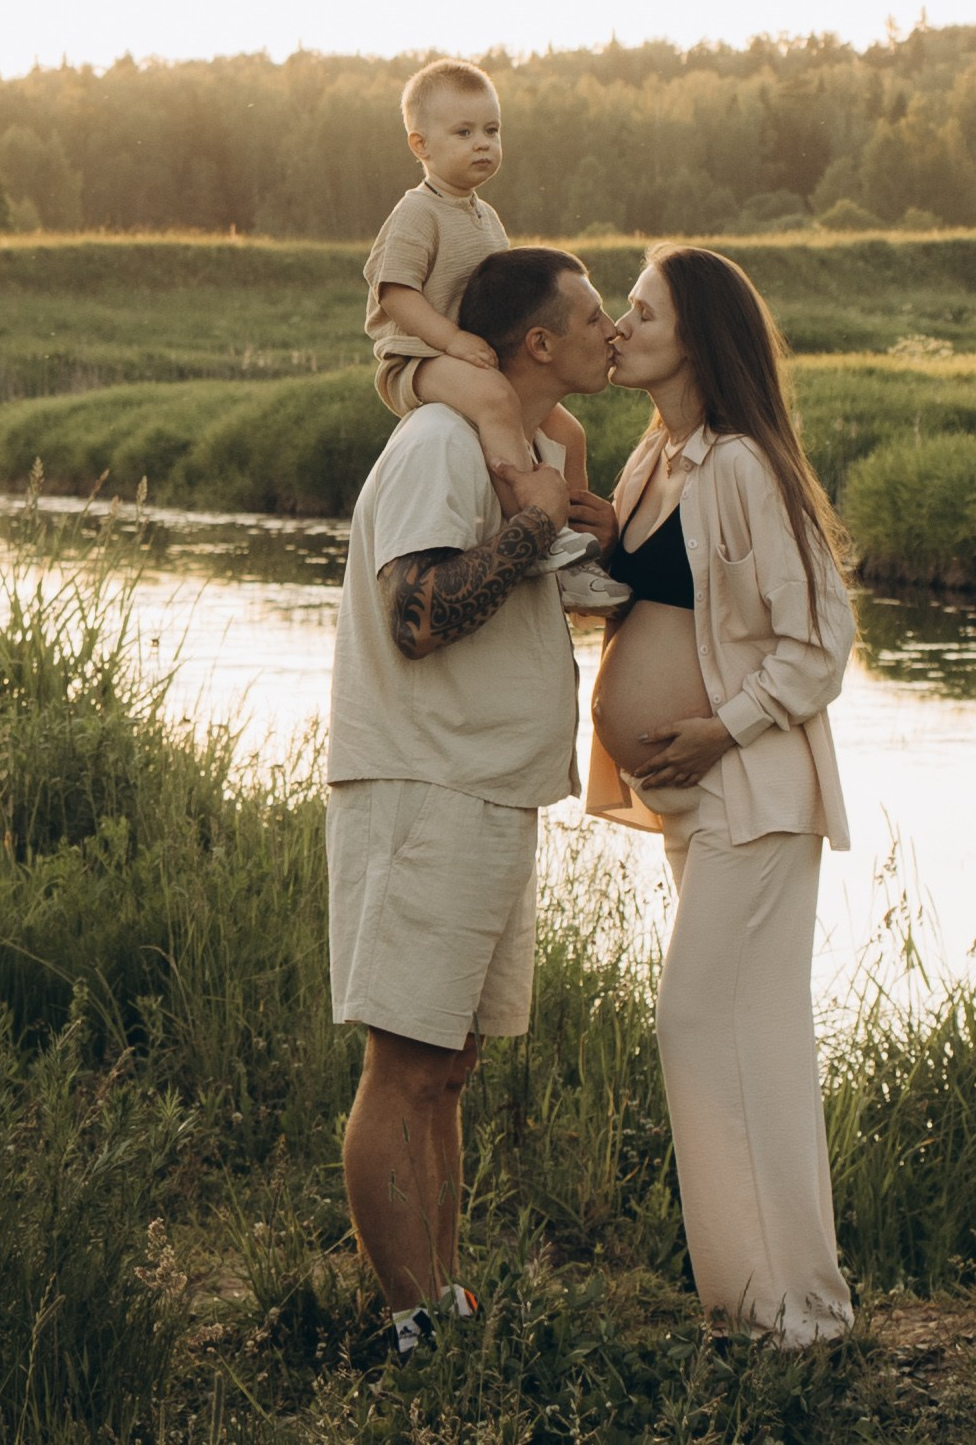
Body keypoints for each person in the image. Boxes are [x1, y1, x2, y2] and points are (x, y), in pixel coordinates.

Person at [326, 241, 622, 1358]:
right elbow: (418, 616)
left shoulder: (532, 448)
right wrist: (536, 528)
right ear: (537, 342)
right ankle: (409, 1329)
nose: (612, 332)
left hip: (489, 790)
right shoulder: (441, 443)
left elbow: (547, 587)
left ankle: (444, 1305)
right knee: (404, 1066)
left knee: (450, 1067)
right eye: (594, 316)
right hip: (424, 788)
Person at [587, 243, 855, 1347]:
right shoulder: (654, 459)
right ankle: (797, 1306)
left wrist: (717, 729)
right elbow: (633, 597)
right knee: (758, 1038)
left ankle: (766, 1311)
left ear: (696, 335)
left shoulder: (743, 465)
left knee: (700, 1021)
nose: (620, 326)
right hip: (701, 804)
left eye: (640, 310)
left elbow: (819, 643)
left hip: (754, 791)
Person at [364, 59, 626, 610]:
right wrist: (450, 340)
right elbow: (395, 293)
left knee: (570, 435)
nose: (482, 144)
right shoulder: (418, 213)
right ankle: (533, 527)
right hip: (416, 361)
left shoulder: (487, 218)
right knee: (495, 398)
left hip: (468, 357)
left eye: (492, 130)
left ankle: (575, 556)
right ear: (421, 145)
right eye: (463, 133)